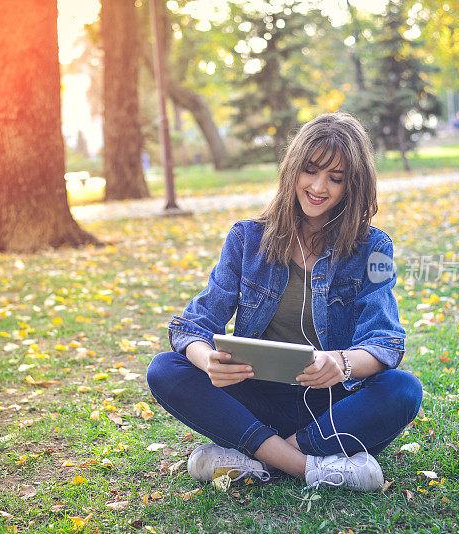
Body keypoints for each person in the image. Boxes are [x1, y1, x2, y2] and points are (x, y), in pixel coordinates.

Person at [146, 112, 422, 492]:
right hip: (257, 397)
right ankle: (309, 466)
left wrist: (340, 363)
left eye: (335, 178)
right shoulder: (247, 239)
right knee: (166, 368)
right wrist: (207, 359)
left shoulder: (375, 248)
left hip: (331, 406)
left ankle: (255, 459)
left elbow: (385, 340)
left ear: (352, 186)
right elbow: (194, 325)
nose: (319, 186)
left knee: (403, 389)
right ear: (293, 169)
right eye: (310, 170)